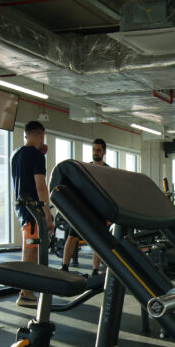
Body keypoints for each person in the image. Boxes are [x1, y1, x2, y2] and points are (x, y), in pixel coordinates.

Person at [11, 121, 54, 307]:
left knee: (32, 248)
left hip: (21, 206)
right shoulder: (36, 156)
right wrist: (47, 214)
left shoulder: (16, 154)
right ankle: (25, 293)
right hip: (33, 208)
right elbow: (40, 186)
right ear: (40, 135)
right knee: (30, 250)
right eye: (42, 136)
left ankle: (27, 289)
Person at [59, 138, 111, 276]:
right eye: (94, 149)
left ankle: (95, 270)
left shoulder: (108, 171)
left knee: (97, 241)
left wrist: (109, 216)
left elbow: (110, 195)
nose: (95, 152)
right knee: (72, 237)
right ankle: (64, 266)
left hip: (99, 211)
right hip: (82, 210)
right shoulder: (84, 169)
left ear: (104, 152)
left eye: (98, 150)